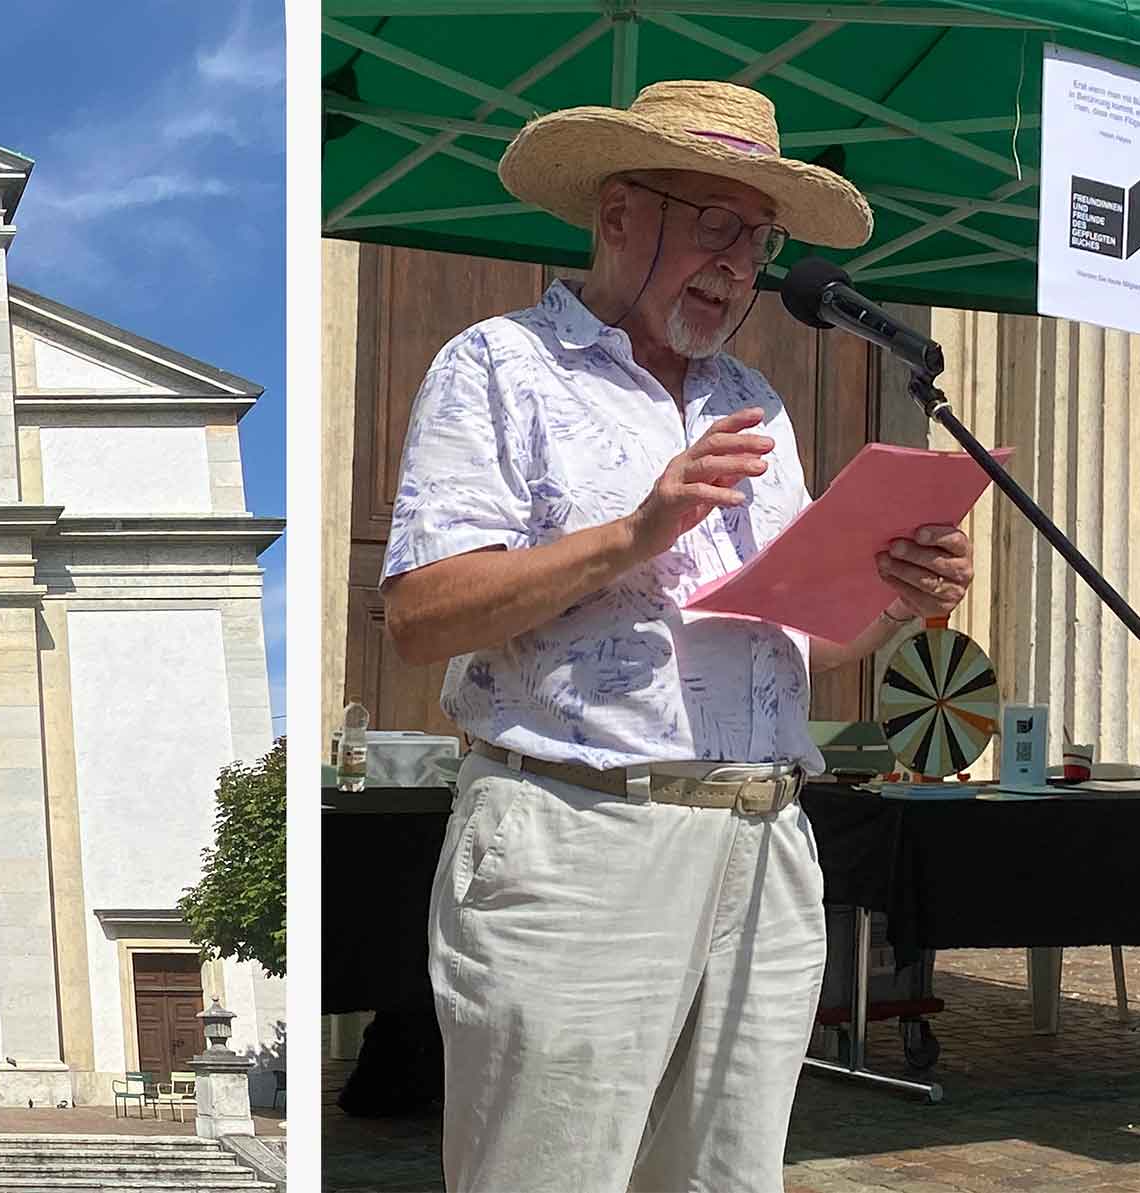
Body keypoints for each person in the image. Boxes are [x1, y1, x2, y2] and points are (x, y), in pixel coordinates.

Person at [382, 80, 975, 1193]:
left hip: (763, 846)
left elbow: (794, 647)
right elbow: (420, 617)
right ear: (617, 214)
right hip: (580, 838)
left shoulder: (747, 397)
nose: (739, 264)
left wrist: (896, 596)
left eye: (758, 240)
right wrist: (634, 531)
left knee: (727, 1179)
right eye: (714, 225)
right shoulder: (496, 365)